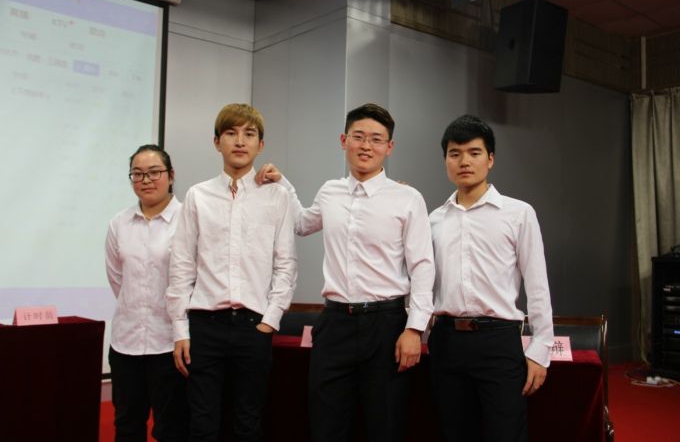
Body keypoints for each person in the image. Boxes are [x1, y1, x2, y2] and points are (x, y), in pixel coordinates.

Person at [255, 103, 435, 442]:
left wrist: (415, 328)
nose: (366, 146)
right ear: (344, 140)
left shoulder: (407, 198)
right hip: (335, 323)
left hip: (386, 324)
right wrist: (283, 184)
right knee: (326, 424)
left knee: (384, 426)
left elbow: (423, 266)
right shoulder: (330, 191)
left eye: (376, 139)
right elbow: (302, 223)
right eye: (358, 137)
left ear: (389, 147)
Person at [166, 103, 297, 442]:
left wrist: (270, 320)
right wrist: (180, 329)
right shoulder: (198, 195)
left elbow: (286, 264)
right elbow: (182, 265)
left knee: (247, 423)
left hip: (254, 326)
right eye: (231, 133)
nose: (240, 141)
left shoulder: (277, 196)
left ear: (260, 145)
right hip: (204, 326)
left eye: (249, 134)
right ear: (216, 142)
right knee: (202, 424)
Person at [428, 114, 554, 442]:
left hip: (498, 341)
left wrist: (541, 348)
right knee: (453, 433)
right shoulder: (434, 219)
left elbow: (537, 285)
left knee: (505, 432)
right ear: (445, 160)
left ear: (491, 159)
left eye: (474, 152)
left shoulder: (518, 213)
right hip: (446, 341)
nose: (464, 161)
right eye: (455, 154)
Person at [105, 144, 189, 442]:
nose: (146, 180)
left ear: (171, 175)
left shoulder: (188, 218)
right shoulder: (119, 223)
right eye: (137, 174)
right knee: (127, 424)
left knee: (172, 428)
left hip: (171, 343)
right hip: (125, 342)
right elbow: (117, 278)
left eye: (154, 172)